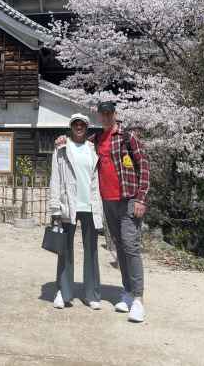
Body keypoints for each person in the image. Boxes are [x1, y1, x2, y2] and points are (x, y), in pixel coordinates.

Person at [55, 102, 150, 323]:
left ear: (115, 115)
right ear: (99, 117)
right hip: (107, 202)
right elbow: (75, 145)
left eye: (110, 114)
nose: (106, 118)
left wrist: (141, 198)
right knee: (119, 245)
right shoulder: (95, 141)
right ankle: (127, 292)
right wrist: (61, 139)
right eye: (103, 115)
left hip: (128, 200)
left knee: (130, 245)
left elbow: (144, 165)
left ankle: (138, 299)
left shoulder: (128, 137)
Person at [48, 113, 103, 310]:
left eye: (82, 124)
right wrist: (54, 207)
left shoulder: (93, 148)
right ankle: (63, 292)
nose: (79, 127)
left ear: (86, 127)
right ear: (71, 127)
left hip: (90, 205)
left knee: (92, 251)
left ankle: (92, 294)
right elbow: (55, 178)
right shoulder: (61, 147)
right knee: (65, 250)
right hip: (68, 205)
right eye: (75, 124)